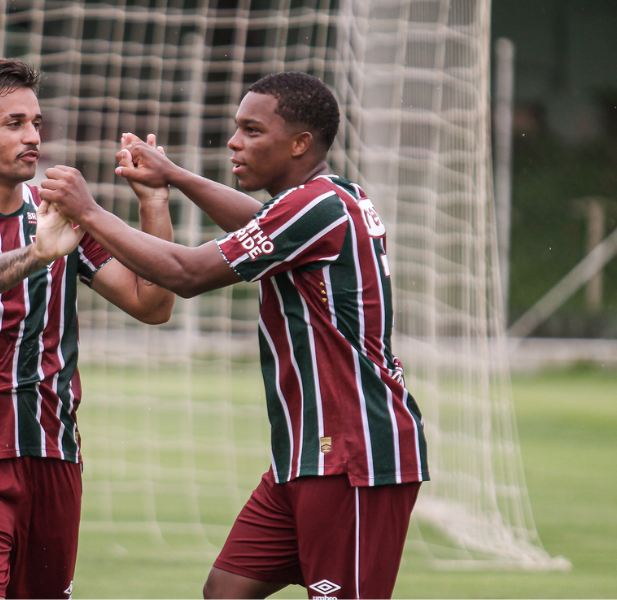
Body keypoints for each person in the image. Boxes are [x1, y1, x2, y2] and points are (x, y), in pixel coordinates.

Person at [40, 71, 429, 600]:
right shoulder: (329, 198)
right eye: (236, 128)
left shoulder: (318, 206)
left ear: (299, 144)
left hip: (353, 454)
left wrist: (88, 212)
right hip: (304, 455)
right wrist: (172, 176)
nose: (234, 142)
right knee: (226, 590)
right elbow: (258, 221)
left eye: (251, 131)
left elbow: (189, 274)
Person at [0, 58, 174, 599]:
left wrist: (153, 202)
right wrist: (36, 255)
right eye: (15, 123)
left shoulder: (61, 214)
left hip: (53, 456)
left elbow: (151, 303)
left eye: (37, 123)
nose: (32, 137)